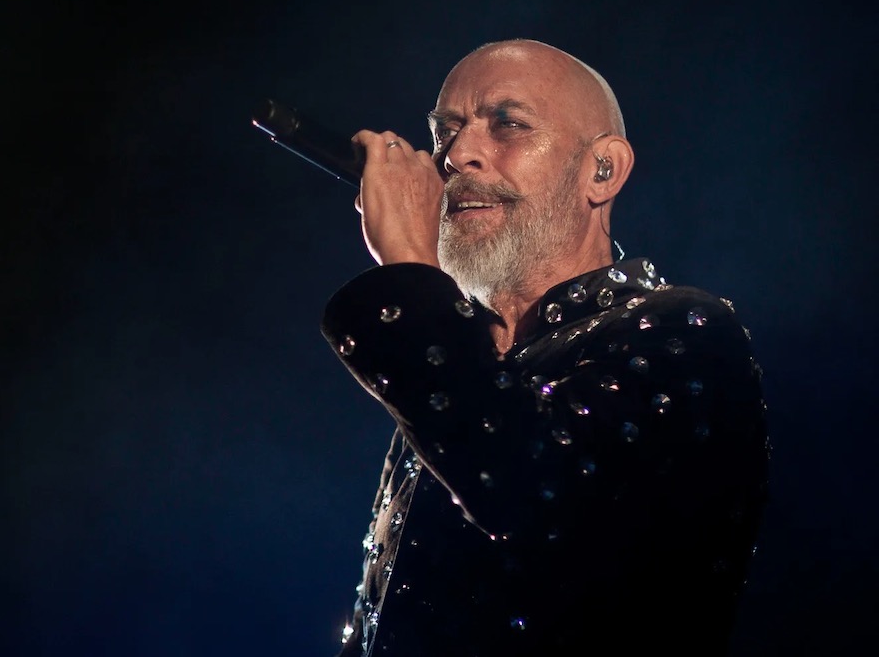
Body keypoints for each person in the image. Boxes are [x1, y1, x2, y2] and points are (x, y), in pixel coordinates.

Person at [321, 39, 769, 656]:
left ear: (602, 169)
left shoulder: (683, 330)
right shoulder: (468, 362)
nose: (457, 155)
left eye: (508, 124)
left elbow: (528, 490)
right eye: (445, 132)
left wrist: (409, 270)